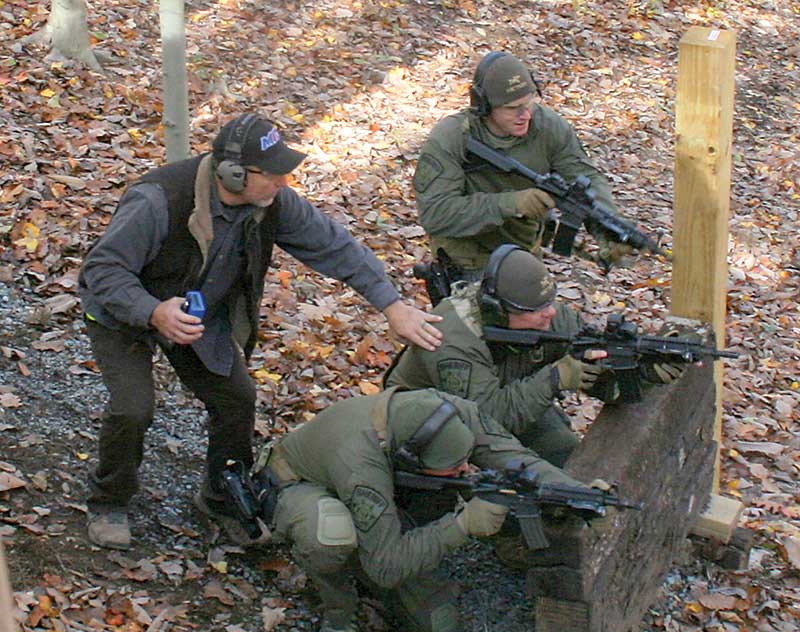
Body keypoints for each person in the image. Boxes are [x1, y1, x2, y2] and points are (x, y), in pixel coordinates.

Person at [78, 112, 444, 550]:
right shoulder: (158, 199)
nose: (283, 184)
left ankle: (220, 495)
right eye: (273, 175)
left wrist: (393, 305)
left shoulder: (273, 203)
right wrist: (153, 311)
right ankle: (109, 501)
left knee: (236, 399)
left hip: (197, 312)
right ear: (233, 174)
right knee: (133, 407)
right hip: (123, 309)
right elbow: (102, 270)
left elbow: (335, 245)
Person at [258, 385, 602, 632]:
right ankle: (339, 612)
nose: (465, 470)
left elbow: (512, 455)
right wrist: (462, 526)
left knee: (439, 630)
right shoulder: (360, 467)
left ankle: (377, 534)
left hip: (381, 488)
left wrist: (574, 492)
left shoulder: (448, 412)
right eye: (454, 467)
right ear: (412, 458)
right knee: (330, 534)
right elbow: (384, 568)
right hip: (298, 487)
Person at [385, 244, 684, 468]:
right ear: (498, 310)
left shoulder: (547, 314)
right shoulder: (452, 339)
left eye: (550, 303)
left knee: (567, 460)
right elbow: (488, 422)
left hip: (510, 396)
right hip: (425, 420)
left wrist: (643, 373)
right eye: (536, 311)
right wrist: (557, 378)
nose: (550, 314)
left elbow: (600, 376)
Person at [413, 50, 633, 280]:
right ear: (484, 106)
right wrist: (512, 204)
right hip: (468, 261)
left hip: (524, 255)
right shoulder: (452, 137)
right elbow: (434, 214)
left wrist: (609, 226)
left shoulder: (547, 127)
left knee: (542, 313)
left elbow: (584, 176)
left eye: (529, 104)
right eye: (511, 108)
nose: (525, 115)